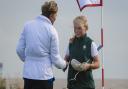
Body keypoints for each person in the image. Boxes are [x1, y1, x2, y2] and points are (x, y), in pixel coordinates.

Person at [16, 1, 66, 89]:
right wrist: (65, 64)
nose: (56, 18)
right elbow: (56, 60)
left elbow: (19, 50)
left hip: (28, 75)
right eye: (56, 15)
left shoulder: (27, 25)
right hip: (44, 76)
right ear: (51, 15)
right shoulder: (52, 30)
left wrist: (28, 60)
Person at [64, 16, 100, 89]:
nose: (76, 30)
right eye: (75, 28)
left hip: (86, 85)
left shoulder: (90, 43)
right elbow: (66, 60)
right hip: (72, 84)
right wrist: (63, 64)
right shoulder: (71, 43)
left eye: (79, 28)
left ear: (86, 28)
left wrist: (88, 66)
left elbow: (97, 63)